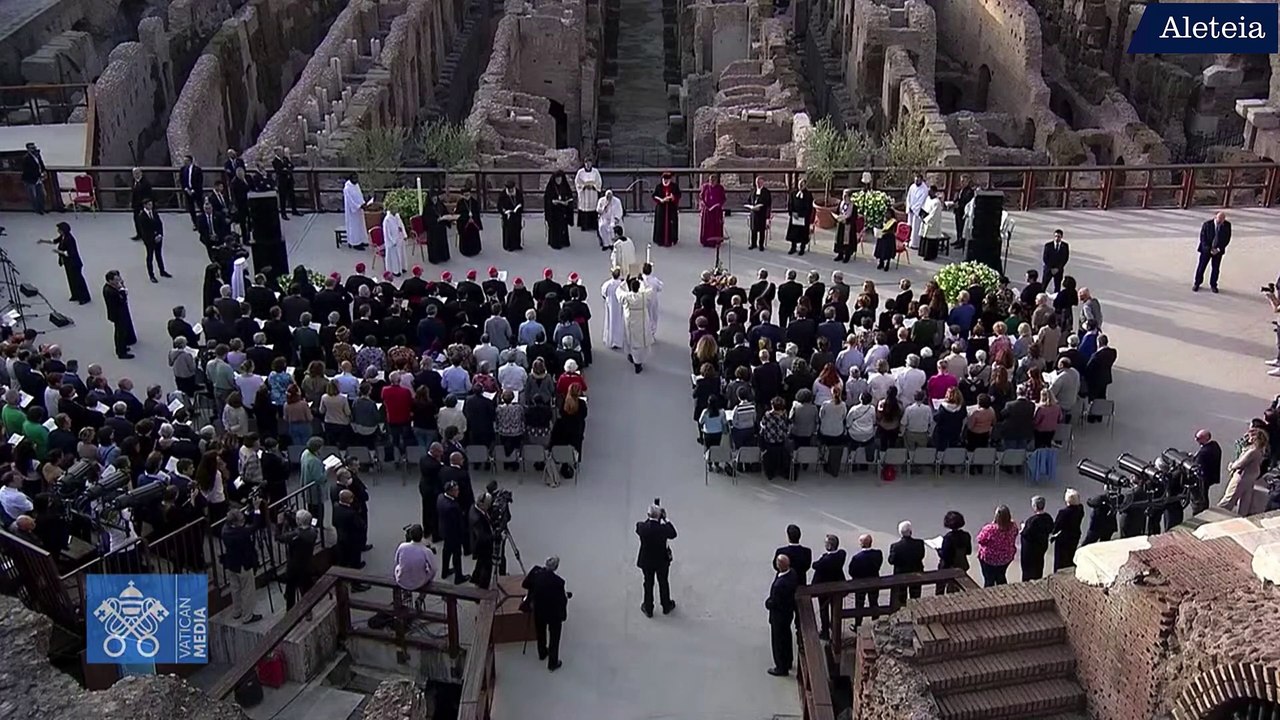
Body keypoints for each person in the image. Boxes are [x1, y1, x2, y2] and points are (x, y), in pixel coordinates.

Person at [522, 556, 571, 671]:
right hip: (553, 614)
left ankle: (542, 652)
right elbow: (561, 600)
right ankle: (552, 663)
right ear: (556, 567)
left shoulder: (535, 572)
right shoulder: (559, 582)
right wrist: (563, 614)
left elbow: (525, 584)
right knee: (554, 638)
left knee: (540, 632)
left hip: (538, 609)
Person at [636, 502, 677, 617]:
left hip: (646, 561)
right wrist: (665, 519)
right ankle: (666, 605)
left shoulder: (642, 527)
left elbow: (643, 525)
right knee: (663, 582)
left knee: (648, 584)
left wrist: (652, 517)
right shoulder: (663, 529)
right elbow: (673, 533)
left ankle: (648, 608)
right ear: (660, 516)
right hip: (661, 561)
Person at [222, 509, 263, 623]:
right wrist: (257, 510)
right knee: (247, 590)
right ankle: (248, 616)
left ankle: (237, 611)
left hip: (231, 563)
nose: (243, 521)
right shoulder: (241, 533)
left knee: (235, 588)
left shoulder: (225, 530)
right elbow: (255, 525)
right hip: (243, 565)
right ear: (235, 522)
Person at [36, 222, 90, 304]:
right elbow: (54, 241)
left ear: (63, 230)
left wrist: (58, 251)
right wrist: (43, 241)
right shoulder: (63, 236)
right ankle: (75, 295)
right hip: (68, 262)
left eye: (59, 229)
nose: (58, 230)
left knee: (78, 280)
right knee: (71, 279)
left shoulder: (69, 239)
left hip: (74, 263)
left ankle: (84, 297)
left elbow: (70, 253)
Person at [1219, 428, 1267, 516]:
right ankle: (1240, 516)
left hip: (1242, 476)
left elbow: (1240, 463)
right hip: (1251, 477)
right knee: (1245, 500)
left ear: (1254, 438)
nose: (1247, 438)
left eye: (1250, 436)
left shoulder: (1252, 451)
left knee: (1229, 498)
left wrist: (1231, 466)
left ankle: (1216, 515)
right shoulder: (1260, 450)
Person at [766, 553, 800, 677]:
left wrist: (768, 603)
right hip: (788, 612)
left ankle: (781, 667)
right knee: (786, 636)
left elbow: (774, 602)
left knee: (778, 641)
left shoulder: (778, 585)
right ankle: (788, 661)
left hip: (778, 616)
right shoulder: (792, 574)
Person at [278, 509, 318, 610]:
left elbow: (280, 538)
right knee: (306, 588)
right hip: (307, 564)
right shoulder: (313, 532)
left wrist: (280, 524)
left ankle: (290, 612)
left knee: (291, 590)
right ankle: (308, 610)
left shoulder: (296, 535)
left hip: (294, 566)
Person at [394, 524, 437, 611]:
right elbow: (434, 569)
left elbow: (396, 561)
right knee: (429, 577)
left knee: (401, 569)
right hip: (419, 582)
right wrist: (429, 576)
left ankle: (406, 595)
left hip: (402, 580)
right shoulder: (426, 551)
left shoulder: (402, 546)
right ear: (422, 535)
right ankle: (420, 598)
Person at [811, 534, 846, 638]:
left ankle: (825, 631)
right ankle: (835, 627)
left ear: (830, 546)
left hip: (824, 589)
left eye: (826, 543)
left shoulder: (824, 561)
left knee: (823, 610)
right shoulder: (841, 554)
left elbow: (815, 565)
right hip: (837, 586)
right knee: (835, 607)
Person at [618, 277, 655, 373]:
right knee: (639, 343)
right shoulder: (643, 296)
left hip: (630, 321)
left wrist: (624, 282)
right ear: (639, 288)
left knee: (631, 340)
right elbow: (650, 289)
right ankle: (638, 363)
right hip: (641, 321)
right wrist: (643, 280)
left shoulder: (626, 296)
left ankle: (630, 355)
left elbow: (619, 292)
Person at [976, 505, 1018, 586]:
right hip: (1006, 558)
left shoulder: (990, 529)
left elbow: (980, 540)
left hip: (989, 559)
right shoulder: (1013, 526)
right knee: (1001, 576)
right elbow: (1015, 534)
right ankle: (1002, 591)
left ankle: (989, 593)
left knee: (989, 579)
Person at [437, 481, 469, 583]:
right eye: (456, 490)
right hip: (453, 535)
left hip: (444, 530)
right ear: (451, 492)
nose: (458, 492)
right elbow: (457, 523)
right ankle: (458, 577)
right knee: (456, 555)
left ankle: (445, 571)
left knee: (446, 552)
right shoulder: (453, 507)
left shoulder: (440, 497)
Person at [846, 534, 882, 624]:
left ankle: (858, 624)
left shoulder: (857, 558)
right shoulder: (878, 553)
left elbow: (851, 571)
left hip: (860, 584)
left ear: (861, 544)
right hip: (874, 582)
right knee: (874, 602)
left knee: (859, 604)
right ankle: (876, 622)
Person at [1193, 210, 1231, 293]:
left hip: (1218, 251)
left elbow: (1226, 239)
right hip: (1206, 250)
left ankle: (1213, 284)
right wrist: (1209, 249)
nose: (1220, 221)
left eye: (1222, 219)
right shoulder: (1207, 225)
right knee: (1201, 267)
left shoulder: (1227, 225)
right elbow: (1203, 238)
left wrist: (1218, 249)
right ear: (1215, 217)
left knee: (1216, 268)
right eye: (1219, 219)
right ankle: (1197, 283)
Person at [888, 520, 925, 603]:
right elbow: (921, 556)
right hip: (916, 573)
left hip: (901, 575)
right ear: (911, 532)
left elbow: (891, 561)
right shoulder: (919, 543)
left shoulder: (895, 546)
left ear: (900, 533)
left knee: (901, 597)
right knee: (915, 597)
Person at [102, 271, 137, 359]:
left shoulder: (111, 287)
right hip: (118, 315)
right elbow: (122, 300)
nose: (118, 281)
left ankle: (124, 346)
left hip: (120, 312)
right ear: (110, 281)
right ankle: (121, 352)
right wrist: (121, 289)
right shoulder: (110, 291)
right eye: (116, 280)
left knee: (123, 331)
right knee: (120, 333)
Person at [135, 199, 171, 283]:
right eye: (149, 204)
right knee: (150, 257)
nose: (151, 206)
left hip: (158, 238)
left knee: (159, 255)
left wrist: (160, 235)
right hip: (149, 240)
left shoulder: (154, 213)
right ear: (145, 205)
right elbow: (144, 231)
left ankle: (162, 271)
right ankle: (151, 275)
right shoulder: (141, 216)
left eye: (151, 204)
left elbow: (159, 224)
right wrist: (153, 237)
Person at [1020, 495, 1054, 581]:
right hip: (1041, 547)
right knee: (1039, 565)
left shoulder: (1032, 521)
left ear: (1035, 506)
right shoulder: (1048, 517)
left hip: (1031, 550)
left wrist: (1023, 527)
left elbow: (1025, 533)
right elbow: (1051, 529)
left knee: (1028, 570)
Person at [937, 511, 971, 593]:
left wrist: (938, 550)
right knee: (955, 588)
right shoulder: (966, 535)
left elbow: (945, 555)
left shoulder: (948, 538)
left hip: (948, 566)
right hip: (961, 564)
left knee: (940, 584)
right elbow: (968, 551)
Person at [1050, 489, 1084, 571]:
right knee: (1070, 555)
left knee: (1060, 559)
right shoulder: (1080, 509)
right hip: (1075, 535)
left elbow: (1057, 526)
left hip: (1064, 538)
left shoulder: (1064, 512)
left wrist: (1053, 532)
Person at [1192, 429, 1222, 514]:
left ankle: (1201, 512)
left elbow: (1197, 466)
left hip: (1203, 479)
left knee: (1201, 496)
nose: (1196, 440)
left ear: (1205, 438)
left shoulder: (1203, 453)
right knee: (1205, 494)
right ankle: (1205, 508)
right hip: (1210, 477)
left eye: (1198, 438)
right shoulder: (1214, 446)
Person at [544, 171, 574, 249]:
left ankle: (564, 241)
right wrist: (553, 202)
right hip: (554, 211)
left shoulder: (565, 186)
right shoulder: (551, 187)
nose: (558, 180)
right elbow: (547, 199)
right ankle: (555, 243)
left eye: (560, 179)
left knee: (563, 226)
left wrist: (568, 201)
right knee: (555, 227)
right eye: (557, 179)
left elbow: (570, 195)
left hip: (563, 210)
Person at [343, 173, 372, 250]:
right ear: (351, 179)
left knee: (361, 225)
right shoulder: (347, 188)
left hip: (359, 209)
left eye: (357, 178)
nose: (356, 180)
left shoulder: (356, 185)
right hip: (353, 211)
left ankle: (362, 240)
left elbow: (359, 196)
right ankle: (355, 243)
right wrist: (358, 206)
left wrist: (363, 204)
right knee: (354, 227)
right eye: (354, 179)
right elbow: (350, 201)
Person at [786, 178, 814, 256]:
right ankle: (793, 247)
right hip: (795, 216)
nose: (801, 186)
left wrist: (803, 215)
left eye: (803, 184)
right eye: (800, 184)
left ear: (805, 185)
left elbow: (809, 206)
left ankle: (802, 248)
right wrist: (792, 213)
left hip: (804, 217)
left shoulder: (808, 195)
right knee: (794, 233)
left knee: (803, 233)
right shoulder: (793, 193)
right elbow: (790, 204)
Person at [599, 268, 626, 350]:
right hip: (619, 305)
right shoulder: (621, 285)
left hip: (610, 305)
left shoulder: (607, 284)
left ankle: (609, 339)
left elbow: (603, 293)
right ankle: (618, 341)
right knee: (619, 322)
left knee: (610, 321)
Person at [652, 172, 681, 247]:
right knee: (660, 223)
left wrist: (673, 197)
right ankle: (659, 240)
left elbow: (678, 195)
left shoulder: (674, 186)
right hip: (661, 208)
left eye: (667, 179)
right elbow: (654, 195)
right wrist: (661, 200)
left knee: (672, 223)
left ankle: (672, 239)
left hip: (671, 208)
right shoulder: (659, 186)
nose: (665, 181)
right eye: (664, 179)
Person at [272, 146, 301, 219]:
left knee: (292, 196)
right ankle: (283, 213)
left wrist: (287, 169)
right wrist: (286, 169)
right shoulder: (275, 161)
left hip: (289, 180)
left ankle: (294, 210)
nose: (282, 152)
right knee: (283, 198)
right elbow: (279, 170)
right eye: (280, 151)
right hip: (282, 182)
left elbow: (291, 166)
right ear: (276, 152)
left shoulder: (285, 158)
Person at [698, 173, 726, 248]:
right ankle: (705, 241)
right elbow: (701, 197)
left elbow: (723, 199)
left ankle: (716, 241)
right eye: (711, 180)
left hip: (716, 210)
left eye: (714, 180)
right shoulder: (705, 187)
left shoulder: (720, 188)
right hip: (707, 209)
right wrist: (704, 205)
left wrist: (718, 205)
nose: (712, 182)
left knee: (716, 226)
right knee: (706, 225)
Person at [574, 159, 602, 231]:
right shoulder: (580, 172)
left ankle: (593, 225)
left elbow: (599, 182)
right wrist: (583, 186)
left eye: (589, 163)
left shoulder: (595, 172)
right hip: (584, 193)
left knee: (593, 207)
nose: (588, 164)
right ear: (584, 163)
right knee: (584, 208)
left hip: (592, 192)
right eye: (586, 163)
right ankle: (584, 225)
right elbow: (577, 182)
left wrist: (594, 186)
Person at [455, 186, 483, 257]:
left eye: (468, 194)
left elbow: (477, 212)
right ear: (463, 195)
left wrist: (473, 218)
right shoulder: (460, 203)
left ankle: (475, 250)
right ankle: (465, 251)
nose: (467, 196)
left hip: (473, 223)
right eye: (465, 195)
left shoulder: (474, 202)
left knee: (474, 235)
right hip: (464, 224)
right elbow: (459, 215)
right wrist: (467, 219)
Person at [497, 180, 524, 251]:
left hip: (516, 214)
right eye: (509, 189)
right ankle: (508, 245)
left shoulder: (518, 193)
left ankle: (517, 244)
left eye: (512, 189)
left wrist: (519, 208)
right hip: (507, 215)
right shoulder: (503, 194)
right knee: (508, 231)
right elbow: (499, 205)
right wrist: (504, 211)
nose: (511, 191)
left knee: (517, 229)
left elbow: (521, 202)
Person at [746, 175, 772, 250]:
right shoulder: (753, 191)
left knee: (761, 230)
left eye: (760, 182)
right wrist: (751, 207)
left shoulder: (766, 192)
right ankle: (753, 244)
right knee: (753, 229)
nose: (758, 184)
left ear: (763, 183)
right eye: (757, 182)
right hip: (754, 213)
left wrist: (768, 216)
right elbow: (749, 200)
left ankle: (761, 245)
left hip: (762, 213)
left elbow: (768, 204)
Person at [1041, 229, 1070, 293]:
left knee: (1057, 287)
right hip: (1048, 269)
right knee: (1043, 286)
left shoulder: (1065, 246)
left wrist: (1058, 268)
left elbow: (1065, 258)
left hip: (1058, 270)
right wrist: (1051, 268)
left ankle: (1056, 301)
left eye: (1058, 237)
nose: (1057, 238)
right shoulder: (1048, 245)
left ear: (1061, 237)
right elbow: (1045, 258)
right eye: (1055, 236)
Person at [21, 142, 47, 214]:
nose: (34, 149)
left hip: (38, 178)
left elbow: (41, 164)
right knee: (33, 196)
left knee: (42, 194)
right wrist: (39, 175)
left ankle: (42, 208)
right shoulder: (26, 158)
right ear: (28, 149)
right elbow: (28, 171)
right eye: (32, 148)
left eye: (34, 147)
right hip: (30, 179)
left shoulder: (38, 155)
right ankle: (37, 210)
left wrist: (44, 171)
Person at [381, 209, 408, 276]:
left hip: (399, 239)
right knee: (394, 257)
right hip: (393, 242)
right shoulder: (387, 220)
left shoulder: (397, 216)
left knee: (401, 254)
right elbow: (387, 233)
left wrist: (404, 235)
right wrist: (393, 241)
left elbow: (401, 225)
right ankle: (395, 271)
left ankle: (402, 267)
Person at [905, 173, 928, 249]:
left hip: (917, 212)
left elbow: (921, 201)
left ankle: (915, 244)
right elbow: (908, 197)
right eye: (915, 179)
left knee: (915, 228)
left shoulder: (924, 189)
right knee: (909, 226)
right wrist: (909, 207)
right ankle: (907, 240)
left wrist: (914, 208)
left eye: (918, 180)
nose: (916, 181)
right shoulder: (912, 186)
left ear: (921, 180)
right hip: (911, 210)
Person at [831, 188, 855, 262]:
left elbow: (854, 218)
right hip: (840, 225)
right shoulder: (841, 203)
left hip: (848, 226)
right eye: (843, 195)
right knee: (839, 240)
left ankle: (847, 255)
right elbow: (838, 212)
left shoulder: (853, 206)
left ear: (849, 197)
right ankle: (840, 254)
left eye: (846, 196)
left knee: (847, 241)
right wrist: (837, 217)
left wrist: (847, 220)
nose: (844, 197)